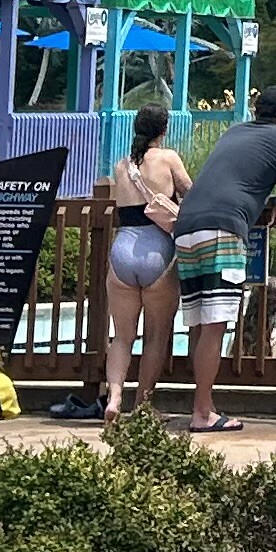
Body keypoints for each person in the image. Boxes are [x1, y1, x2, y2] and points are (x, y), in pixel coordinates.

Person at [172, 88, 276, 435]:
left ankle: (204, 405)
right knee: (215, 324)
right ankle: (202, 413)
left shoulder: (234, 132)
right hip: (224, 229)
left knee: (199, 322)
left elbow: (239, 177)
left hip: (187, 225)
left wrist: (270, 198)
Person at [78, 103, 191, 420]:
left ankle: (114, 398)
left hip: (123, 249)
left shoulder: (121, 165)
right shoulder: (168, 159)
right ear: (164, 130)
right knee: (156, 335)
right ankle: (143, 406)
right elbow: (192, 192)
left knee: (121, 336)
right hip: (157, 250)